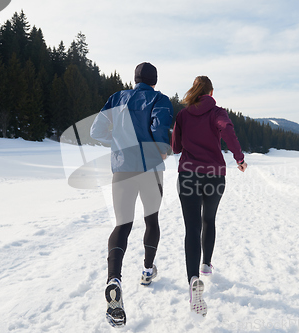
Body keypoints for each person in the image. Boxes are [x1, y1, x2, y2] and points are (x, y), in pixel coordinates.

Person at [90, 62, 173, 328]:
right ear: (154, 80)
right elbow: (160, 128)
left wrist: (117, 142)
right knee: (151, 220)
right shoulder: (160, 99)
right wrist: (162, 148)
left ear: (135, 78)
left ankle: (113, 279)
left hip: (122, 169)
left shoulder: (117, 97)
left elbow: (95, 131)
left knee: (122, 225)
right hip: (150, 170)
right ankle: (147, 271)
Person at [171, 76, 247, 316]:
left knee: (192, 227)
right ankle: (206, 264)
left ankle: (193, 279)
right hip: (214, 175)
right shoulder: (217, 111)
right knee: (209, 220)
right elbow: (227, 130)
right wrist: (239, 158)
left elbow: (175, 148)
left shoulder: (183, 115)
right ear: (211, 92)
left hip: (188, 175)